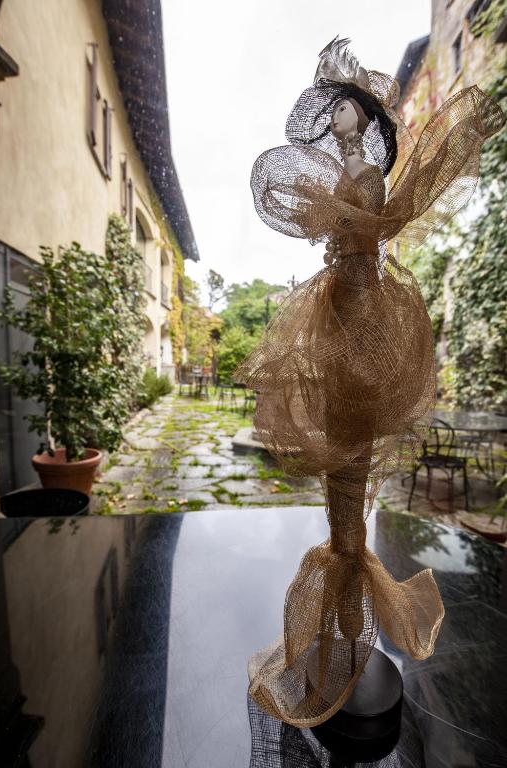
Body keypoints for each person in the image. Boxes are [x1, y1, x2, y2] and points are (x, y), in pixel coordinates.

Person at [233, 36, 506, 728]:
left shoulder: (370, 178)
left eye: (345, 110)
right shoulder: (347, 170)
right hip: (337, 301)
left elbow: (365, 226)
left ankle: (350, 606)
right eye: (334, 112)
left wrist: (343, 231)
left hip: (362, 302)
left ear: (362, 114)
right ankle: (342, 603)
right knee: (337, 437)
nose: (337, 120)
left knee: (356, 431)